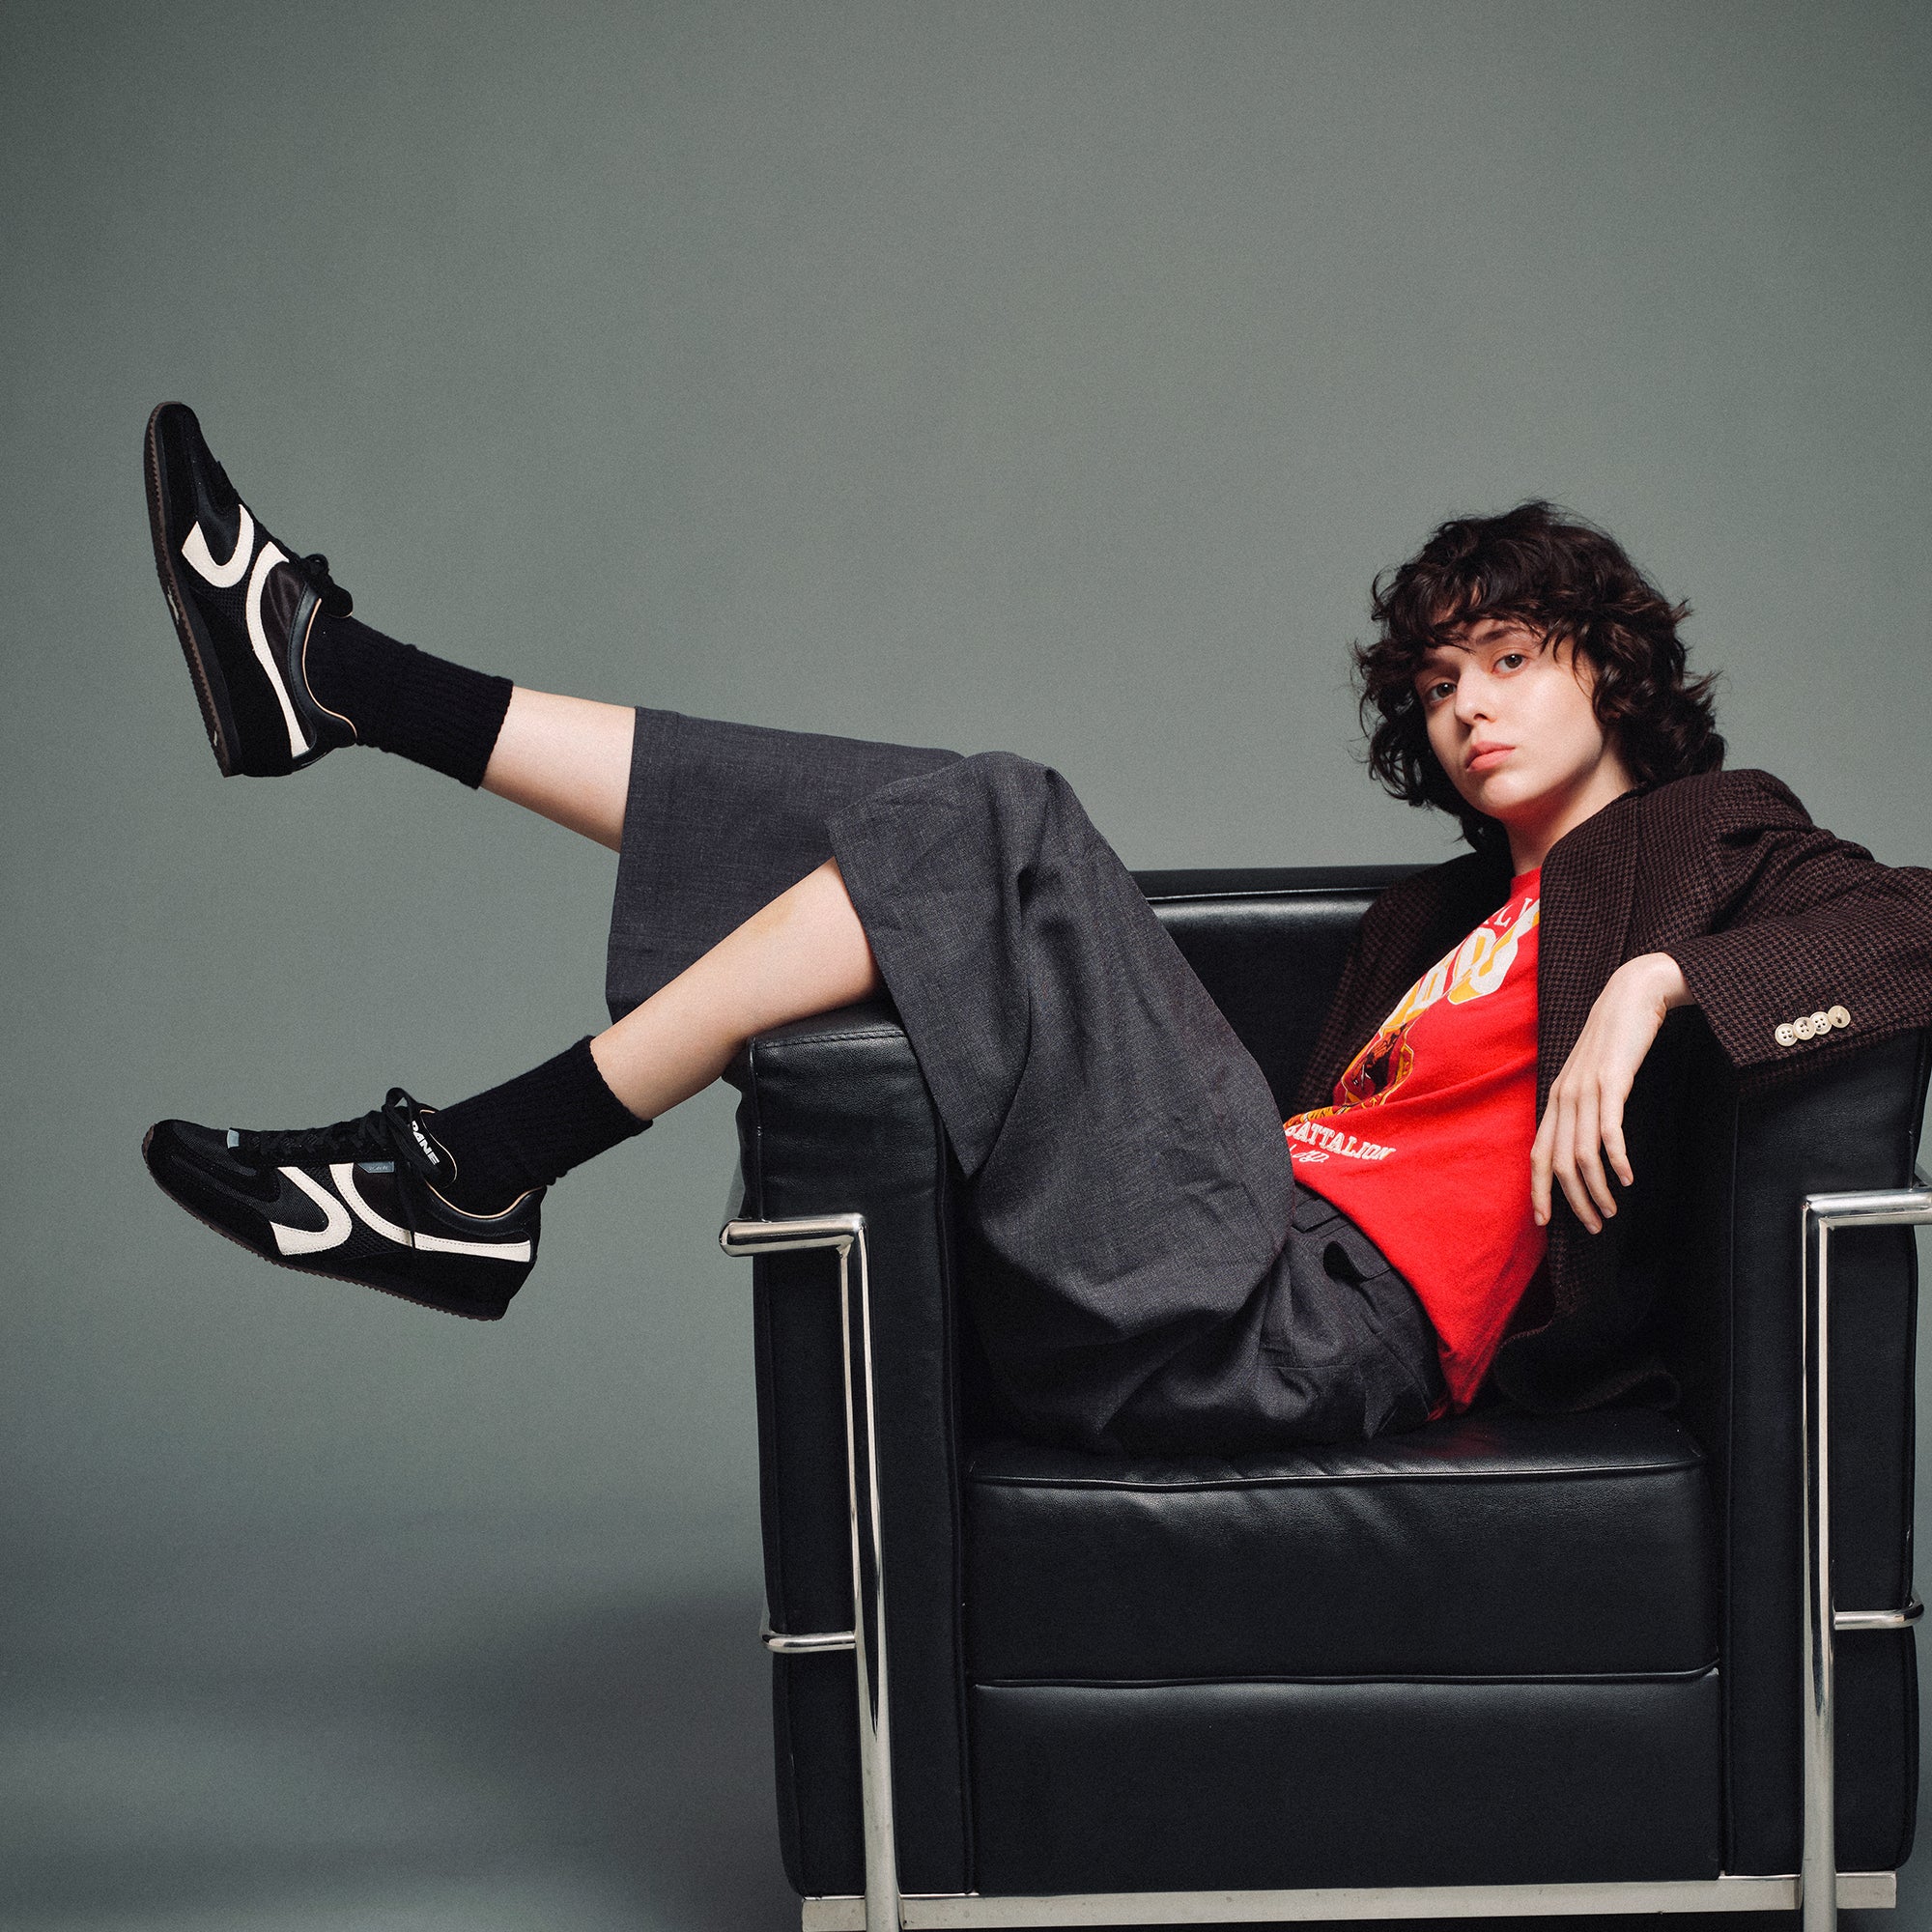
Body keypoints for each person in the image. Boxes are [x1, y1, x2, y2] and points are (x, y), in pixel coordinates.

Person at [138, 402, 1932, 1453]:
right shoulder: (1439, 919)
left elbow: (1913, 931)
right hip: (1211, 1243)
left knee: (995, 814)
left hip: (1303, 1318)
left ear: (1609, 668)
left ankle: (482, 1149)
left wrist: (1653, 985)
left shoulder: (1708, 837)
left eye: (1513, 661)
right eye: (1440, 681)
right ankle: (346, 696)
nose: (1468, 706)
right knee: (936, 831)